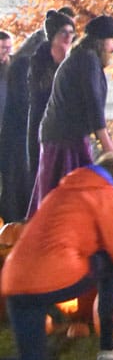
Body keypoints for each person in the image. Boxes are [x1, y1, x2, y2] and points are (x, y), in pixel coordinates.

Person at [0, 152, 113, 360]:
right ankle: (108, 347)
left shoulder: (64, 190)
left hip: (14, 283)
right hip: (50, 279)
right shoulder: (105, 195)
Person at [31, 14, 113, 209]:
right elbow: (93, 104)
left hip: (68, 134)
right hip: (64, 137)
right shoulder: (87, 60)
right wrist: (108, 146)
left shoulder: (85, 58)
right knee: (69, 192)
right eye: (112, 41)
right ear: (100, 41)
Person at [0, 16, 60, 221]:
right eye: (2, 48)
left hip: (16, 131)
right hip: (11, 130)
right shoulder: (17, 68)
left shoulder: (17, 66)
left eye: (8, 47)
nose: (5, 52)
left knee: (17, 177)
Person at [26, 10, 77, 198]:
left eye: (71, 33)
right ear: (54, 36)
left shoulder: (75, 60)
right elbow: (43, 92)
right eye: (64, 32)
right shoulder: (39, 61)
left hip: (69, 128)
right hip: (43, 125)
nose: (69, 37)